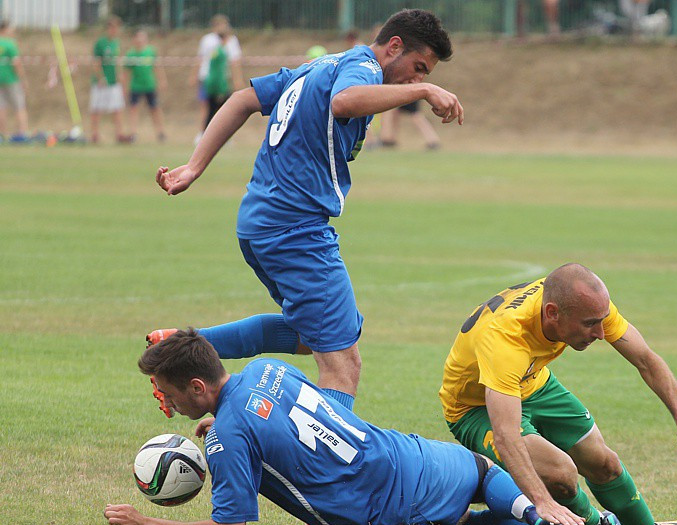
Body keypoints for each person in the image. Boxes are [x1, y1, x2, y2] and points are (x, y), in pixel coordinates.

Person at [151, 10, 464, 419]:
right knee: (343, 363)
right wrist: (424, 91)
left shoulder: (320, 66)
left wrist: (195, 166)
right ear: (394, 47)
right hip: (295, 228)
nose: (416, 78)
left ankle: (175, 347)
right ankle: (326, 458)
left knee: (308, 336)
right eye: (418, 68)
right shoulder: (364, 69)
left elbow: (243, 100)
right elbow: (345, 102)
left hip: (261, 224)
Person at [104, 330, 632, 525]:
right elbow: (284, 418)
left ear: (198, 386)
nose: (167, 403)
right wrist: (225, 425)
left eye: (170, 393)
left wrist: (145, 524)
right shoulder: (266, 369)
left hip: (385, 512)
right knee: (481, 471)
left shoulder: (228, 438)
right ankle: (562, 518)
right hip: (411, 457)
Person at [440, 263, 677, 525]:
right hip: (475, 408)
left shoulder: (584, 301)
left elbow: (646, 360)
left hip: (534, 383)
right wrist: (542, 500)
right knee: (559, 473)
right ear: (552, 313)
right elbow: (506, 435)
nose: (601, 333)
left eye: (602, 320)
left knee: (603, 462)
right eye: (590, 324)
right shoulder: (505, 339)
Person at [192, 14, 242, 144]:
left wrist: (237, 80)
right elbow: (200, 58)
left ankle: (223, 136)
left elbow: (234, 62)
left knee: (224, 109)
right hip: (207, 79)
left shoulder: (232, 41)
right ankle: (203, 133)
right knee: (206, 107)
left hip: (223, 81)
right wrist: (194, 75)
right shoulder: (208, 40)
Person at [90, 16, 128, 144]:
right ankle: (95, 135)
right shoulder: (100, 43)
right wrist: (100, 77)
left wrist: (120, 74)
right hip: (101, 82)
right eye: (113, 28)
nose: (115, 30)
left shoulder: (116, 43)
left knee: (117, 108)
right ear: (108, 28)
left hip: (114, 81)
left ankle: (119, 134)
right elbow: (96, 62)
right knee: (97, 109)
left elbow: (117, 61)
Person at [125, 29, 167, 142]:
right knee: (133, 109)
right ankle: (133, 133)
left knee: (155, 108)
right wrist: (125, 87)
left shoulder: (150, 51)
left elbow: (157, 67)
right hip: (135, 86)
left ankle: (161, 132)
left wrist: (162, 80)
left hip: (149, 85)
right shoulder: (131, 54)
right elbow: (126, 72)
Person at [0, 20, 29, 143]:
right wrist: (23, 79)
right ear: (4, 29)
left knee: (1, 107)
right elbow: (16, 63)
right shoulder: (10, 44)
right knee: (19, 106)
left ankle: (2, 135)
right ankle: (22, 133)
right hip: (11, 80)